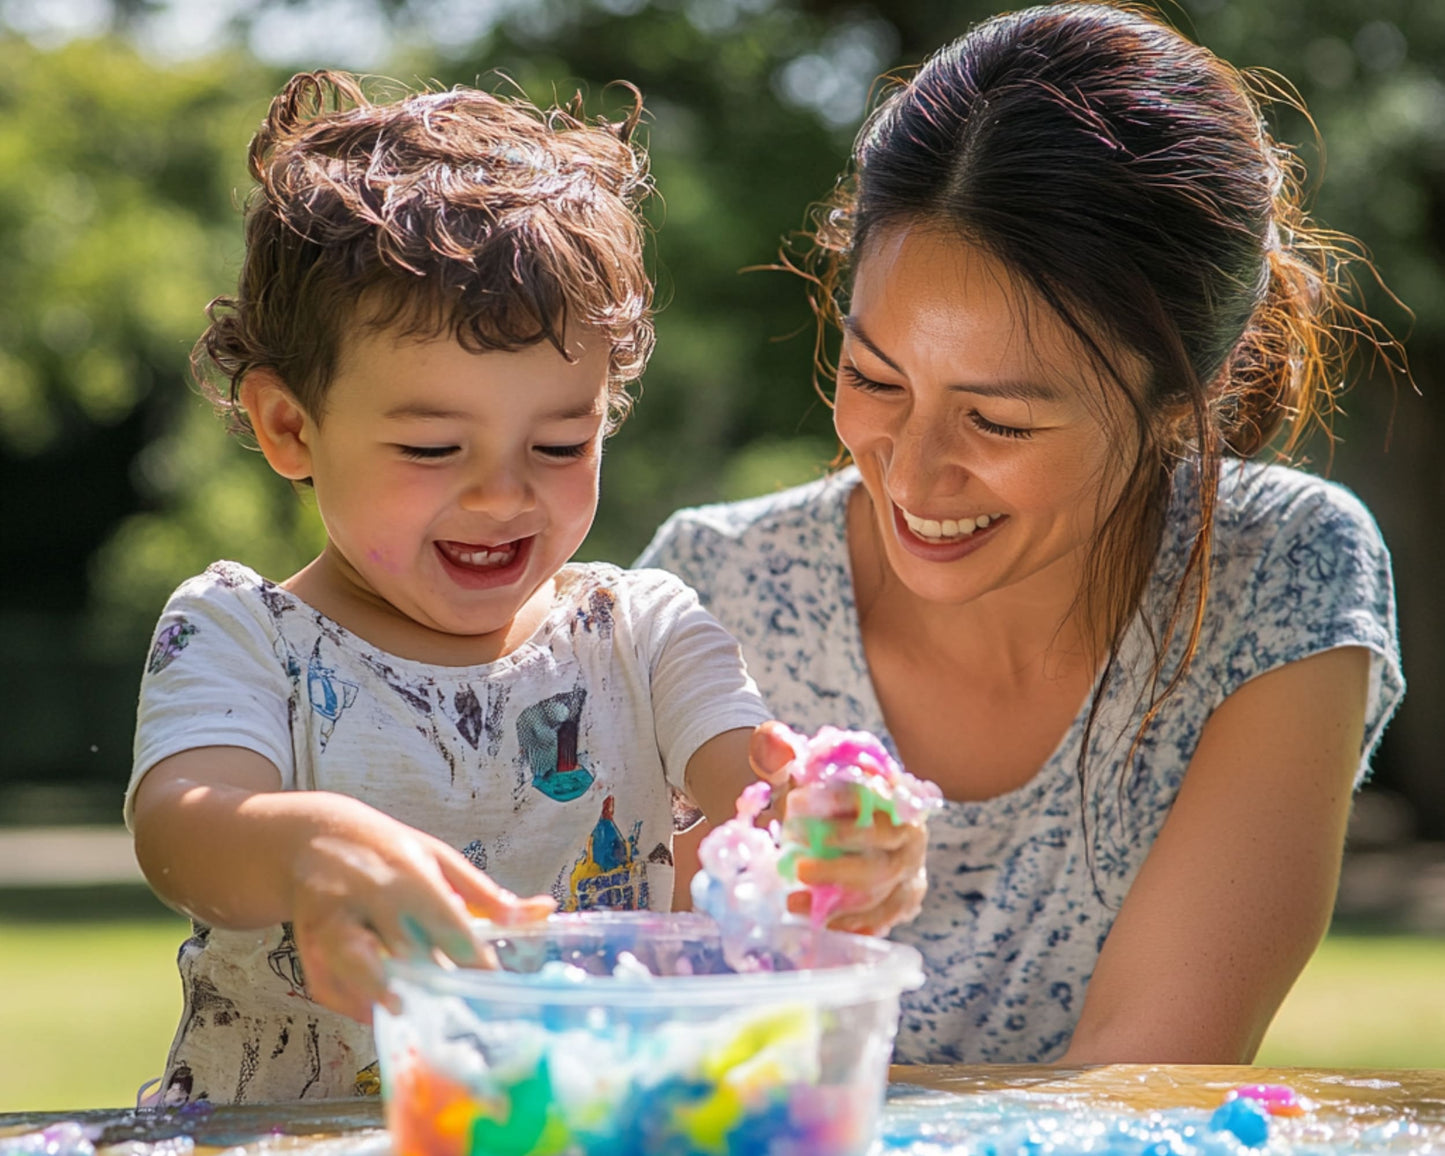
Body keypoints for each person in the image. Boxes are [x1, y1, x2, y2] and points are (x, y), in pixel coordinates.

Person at [125, 72, 926, 1105]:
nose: (501, 492)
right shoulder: (242, 634)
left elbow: (753, 785)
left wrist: (830, 827)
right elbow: (184, 829)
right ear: (291, 428)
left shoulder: (640, 634)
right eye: (430, 444)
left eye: (560, 440)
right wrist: (313, 847)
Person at [643, 2, 1407, 1066]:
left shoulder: (1275, 570)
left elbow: (1141, 1076)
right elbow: (621, 1024)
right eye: (871, 377)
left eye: (997, 419)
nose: (909, 473)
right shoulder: (700, 597)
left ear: (1179, 402)